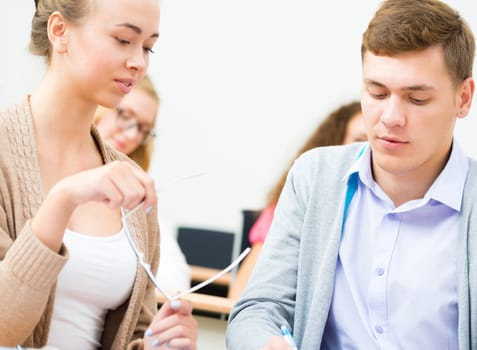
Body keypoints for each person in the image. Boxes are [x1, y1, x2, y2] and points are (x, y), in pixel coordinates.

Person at [226, 0, 477, 349]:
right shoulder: (315, 177)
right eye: (377, 93)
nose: (390, 117)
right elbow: (258, 309)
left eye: (417, 99)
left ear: (464, 98)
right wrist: (265, 343)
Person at [0, 0, 197, 349]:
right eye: (123, 39)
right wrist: (62, 199)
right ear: (60, 31)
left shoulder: (130, 183)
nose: (139, 62)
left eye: (149, 47)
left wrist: (160, 343)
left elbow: (133, 332)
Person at [228, 101, 366, 300]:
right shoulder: (293, 205)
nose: (366, 150)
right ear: (334, 145)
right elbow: (241, 296)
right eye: (358, 140)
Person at [93, 75, 191, 293]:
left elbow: (175, 283)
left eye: (143, 129)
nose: (131, 134)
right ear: (100, 104)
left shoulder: (135, 195)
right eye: (125, 115)